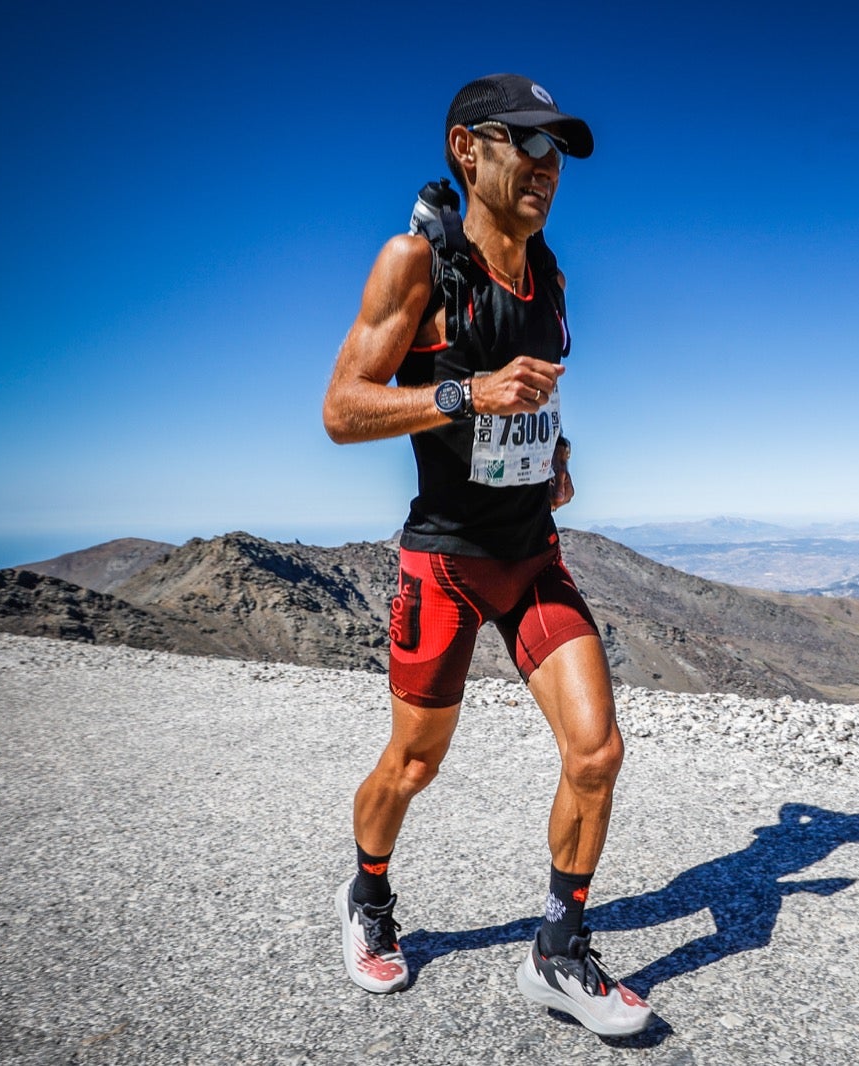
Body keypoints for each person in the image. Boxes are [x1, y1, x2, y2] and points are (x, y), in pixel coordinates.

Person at [321, 73, 650, 1037]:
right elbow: (342, 410)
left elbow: (535, 398)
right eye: (530, 146)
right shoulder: (415, 265)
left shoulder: (550, 280)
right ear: (472, 148)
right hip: (448, 561)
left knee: (597, 752)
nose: (549, 168)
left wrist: (555, 456)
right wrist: (466, 395)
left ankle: (559, 950)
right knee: (414, 765)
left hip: (531, 551)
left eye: (560, 154)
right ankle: (370, 896)